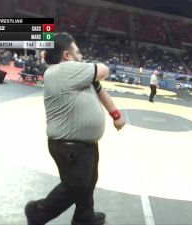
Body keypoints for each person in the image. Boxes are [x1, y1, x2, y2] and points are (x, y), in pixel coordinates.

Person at [25, 32, 125, 225]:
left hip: (80, 144)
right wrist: (91, 67)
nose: (81, 56)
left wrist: (116, 115)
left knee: (88, 181)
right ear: (67, 55)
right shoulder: (63, 71)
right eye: (77, 52)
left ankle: (84, 216)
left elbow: (100, 90)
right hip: (70, 145)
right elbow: (103, 70)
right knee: (76, 185)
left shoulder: (75, 74)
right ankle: (38, 212)